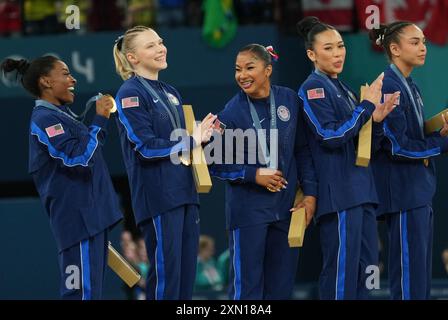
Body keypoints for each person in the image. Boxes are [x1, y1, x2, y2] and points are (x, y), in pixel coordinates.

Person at [0, 56, 122, 299]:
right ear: (46, 81)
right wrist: (99, 120)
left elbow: (88, 153)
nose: (73, 78)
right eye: (65, 73)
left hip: (92, 219)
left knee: (90, 293)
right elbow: (78, 159)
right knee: (79, 293)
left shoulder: (62, 116)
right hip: (78, 224)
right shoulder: (44, 120)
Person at [296, 16, 399, 300]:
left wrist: (376, 120)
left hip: (363, 193)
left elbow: (363, 143)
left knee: (370, 271)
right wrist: (366, 107)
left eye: (340, 46)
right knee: (342, 270)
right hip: (339, 195)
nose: (338, 53)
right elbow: (330, 137)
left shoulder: (345, 89)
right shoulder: (312, 89)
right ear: (311, 54)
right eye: (328, 48)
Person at [112, 25, 216, 300]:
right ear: (132, 58)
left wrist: (202, 138)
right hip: (159, 196)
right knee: (167, 276)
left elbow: (181, 145)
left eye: (161, 42)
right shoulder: (129, 93)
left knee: (185, 277)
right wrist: (192, 140)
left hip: (185, 192)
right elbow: (145, 147)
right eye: (151, 45)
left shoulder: (171, 91)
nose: (161, 48)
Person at [209, 43, 318, 300]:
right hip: (248, 213)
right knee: (247, 291)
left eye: (249, 67)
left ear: (268, 69)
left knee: (280, 290)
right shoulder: (232, 112)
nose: (242, 75)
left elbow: (302, 149)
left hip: (286, 211)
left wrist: (310, 194)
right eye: (237, 69)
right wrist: (253, 174)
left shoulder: (289, 99)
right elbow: (214, 163)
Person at [369, 22, 448, 300]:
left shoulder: (410, 85)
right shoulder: (389, 86)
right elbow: (397, 146)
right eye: (415, 42)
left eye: (423, 41)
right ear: (394, 48)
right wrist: (442, 142)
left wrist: (440, 133)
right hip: (402, 194)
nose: (423, 47)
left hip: (417, 191)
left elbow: (413, 137)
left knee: (419, 277)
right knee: (408, 279)